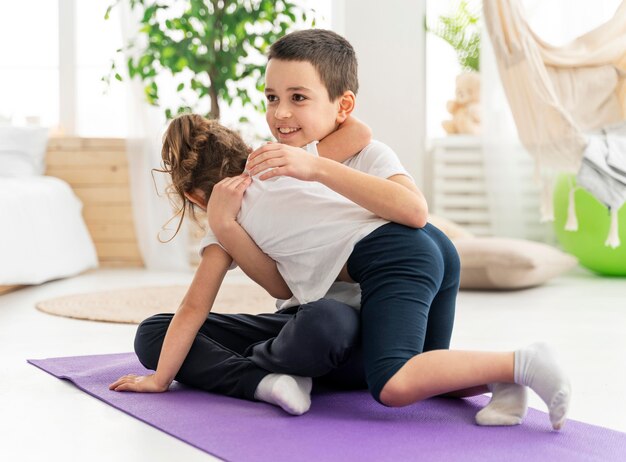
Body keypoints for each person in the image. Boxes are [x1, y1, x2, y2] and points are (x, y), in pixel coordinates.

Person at [110, 29, 571, 430]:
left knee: (393, 382)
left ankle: (523, 361)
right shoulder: (272, 170)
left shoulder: (294, 163)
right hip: (415, 258)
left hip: (395, 253)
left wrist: (159, 379)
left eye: (297, 98)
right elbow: (281, 282)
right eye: (271, 99)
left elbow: (195, 306)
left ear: (192, 197)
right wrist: (229, 223)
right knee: (429, 376)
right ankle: (505, 381)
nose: (280, 112)